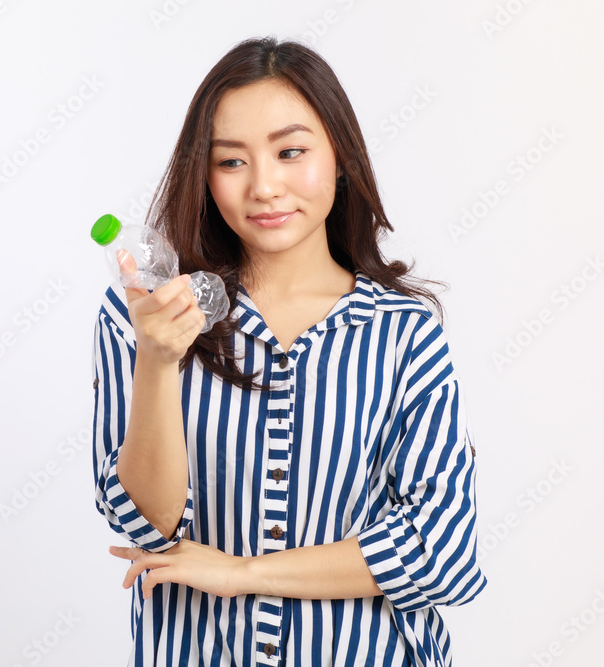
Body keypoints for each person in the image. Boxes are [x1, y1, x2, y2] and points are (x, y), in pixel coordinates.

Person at [90, 36, 486, 666]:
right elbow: (145, 527)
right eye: (231, 161)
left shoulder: (403, 331)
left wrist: (244, 572)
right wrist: (159, 361)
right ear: (204, 176)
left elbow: (443, 555)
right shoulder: (144, 317)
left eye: (290, 152)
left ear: (340, 157)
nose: (265, 186)